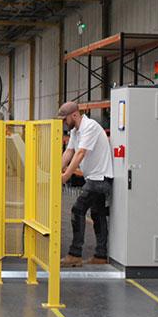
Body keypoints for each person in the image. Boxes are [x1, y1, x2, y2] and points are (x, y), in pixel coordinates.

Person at [58, 101, 114, 267]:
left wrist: (66, 175)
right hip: (95, 178)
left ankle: (75, 254)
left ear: (74, 115)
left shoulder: (90, 127)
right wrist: (56, 170)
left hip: (100, 179)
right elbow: (70, 152)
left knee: (78, 210)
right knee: (98, 215)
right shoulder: (76, 131)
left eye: (65, 119)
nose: (64, 123)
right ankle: (101, 255)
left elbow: (81, 152)